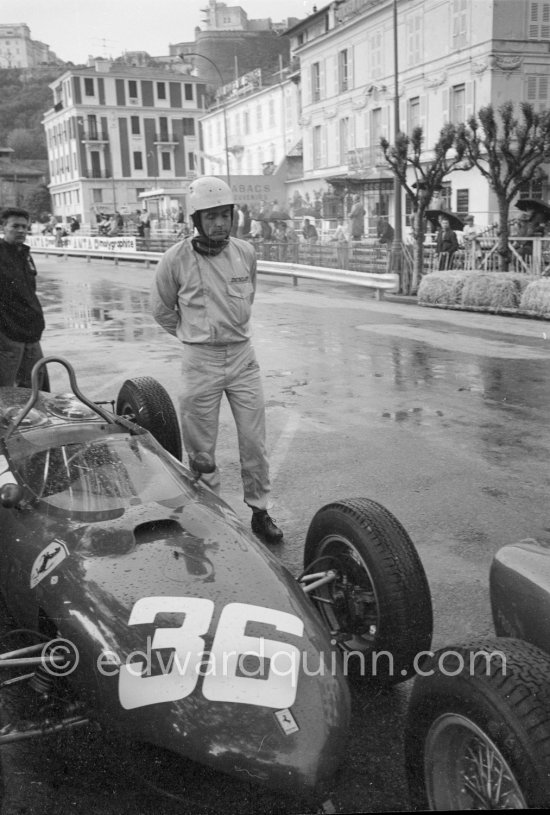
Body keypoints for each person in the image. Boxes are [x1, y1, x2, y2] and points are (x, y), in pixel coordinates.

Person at [150, 176, 283, 544]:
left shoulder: (245, 252)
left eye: (225, 215)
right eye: (211, 217)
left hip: (242, 358)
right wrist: (194, 337)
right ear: (196, 219)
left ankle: (260, 510)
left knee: (254, 442)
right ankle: (214, 517)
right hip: (200, 361)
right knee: (202, 450)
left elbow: (248, 297)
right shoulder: (175, 259)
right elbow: (161, 309)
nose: (219, 224)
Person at [0, 207, 47, 389]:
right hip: (7, 332)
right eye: (16, 226)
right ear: (4, 226)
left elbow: (30, 292)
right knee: (5, 387)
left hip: (30, 330)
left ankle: (30, 416)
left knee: (35, 382)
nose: (21, 230)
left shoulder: (25, 254)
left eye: (25, 227)